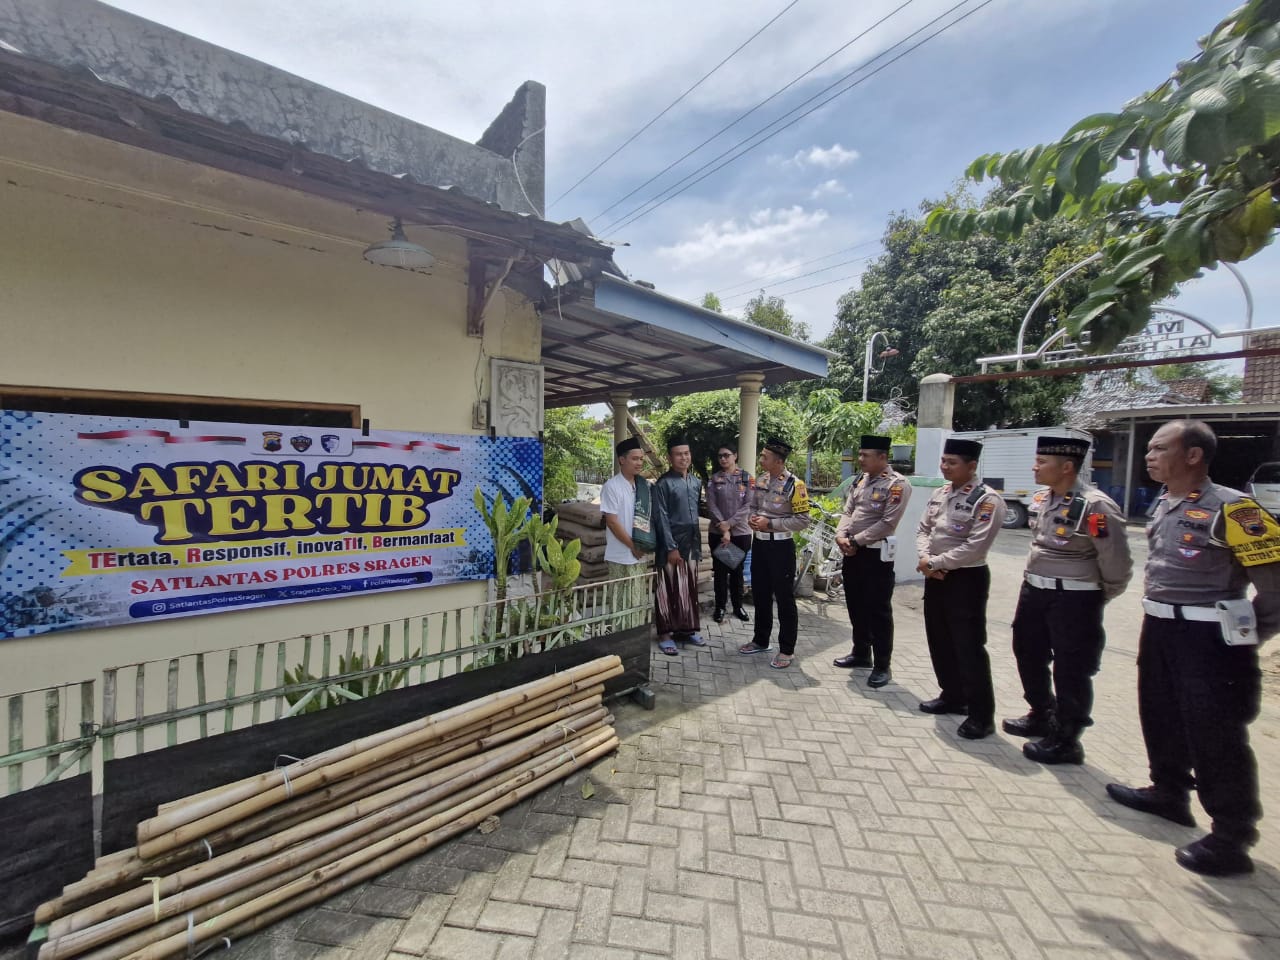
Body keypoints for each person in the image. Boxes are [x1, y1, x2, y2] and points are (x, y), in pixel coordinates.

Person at [1106, 420, 1280, 877]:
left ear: (1193, 455)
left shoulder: (1237, 510)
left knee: (1216, 735)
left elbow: (1276, 589)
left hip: (1211, 640)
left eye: (1160, 448)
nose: (1148, 455)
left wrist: (1244, 636)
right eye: (1149, 448)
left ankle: (1231, 836)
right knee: (1159, 713)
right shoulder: (1165, 502)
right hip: (1161, 629)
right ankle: (1169, 793)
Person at [1003, 436, 1132, 765]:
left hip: (1075, 597)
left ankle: (1067, 738)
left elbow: (1116, 562)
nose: (1035, 467)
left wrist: (1096, 597)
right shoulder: (1045, 498)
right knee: (1027, 652)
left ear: (1067, 467)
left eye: (1041, 462)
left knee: (1071, 667)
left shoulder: (1095, 507)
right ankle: (1041, 713)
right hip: (1035, 591)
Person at [915, 437, 1004, 738]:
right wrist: (926, 558)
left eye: (952, 462)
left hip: (966, 579)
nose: (944, 466)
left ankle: (981, 715)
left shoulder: (987, 499)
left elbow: (975, 546)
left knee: (968, 646)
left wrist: (937, 562)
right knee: (939, 639)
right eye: (943, 460)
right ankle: (952, 695)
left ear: (972, 465)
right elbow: (924, 527)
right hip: (935, 575)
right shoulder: (941, 493)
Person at [832, 435, 912, 688]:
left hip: (876, 555)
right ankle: (861, 653)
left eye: (866, 455)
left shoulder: (897, 485)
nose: (860, 459)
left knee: (878, 611)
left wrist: (856, 541)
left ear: (882, 458)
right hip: (852, 552)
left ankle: (882, 665)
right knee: (855, 604)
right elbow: (849, 512)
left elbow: (888, 522)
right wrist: (841, 535)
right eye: (860, 454)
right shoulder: (860, 480)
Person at [740, 438, 809, 669]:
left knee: (784, 599)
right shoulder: (760, 480)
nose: (761, 460)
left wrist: (770, 523)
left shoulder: (795, 485)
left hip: (781, 547)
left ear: (778, 461)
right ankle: (761, 640)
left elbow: (802, 520)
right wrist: (752, 518)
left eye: (764, 457)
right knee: (760, 595)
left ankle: (787, 650)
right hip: (759, 545)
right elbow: (753, 506)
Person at [652, 439, 705, 654]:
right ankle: (665, 633)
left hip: (691, 540)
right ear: (669, 458)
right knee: (667, 587)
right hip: (670, 542)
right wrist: (671, 547)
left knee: (688, 586)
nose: (683, 457)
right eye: (678, 454)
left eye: (686, 453)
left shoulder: (695, 482)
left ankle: (687, 629)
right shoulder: (663, 484)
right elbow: (661, 517)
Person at [599, 437, 652, 633]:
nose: (639, 463)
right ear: (622, 460)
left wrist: (643, 545)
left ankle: (635, 636)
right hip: (620, 554)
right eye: (635, 458)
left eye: (641, 459)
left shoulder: (643, 486)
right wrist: (632, 546)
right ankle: (619, 639)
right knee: (620, 600)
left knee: (637, 599)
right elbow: (612, 522)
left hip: (639, 553)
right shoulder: (612, 486)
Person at [707, 443, 753, 624]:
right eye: (720, 456)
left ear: (735, 456)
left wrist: (730, 524)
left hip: (740, 533)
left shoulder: (747, 478)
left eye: (726, 455)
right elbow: (711, 505)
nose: (723, 459)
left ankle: (737, 606)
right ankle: (720, 607)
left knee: (737, 570)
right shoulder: (714, 479)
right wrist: (723, 528)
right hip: (717, 532)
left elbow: (748, 505)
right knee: (719, 571)